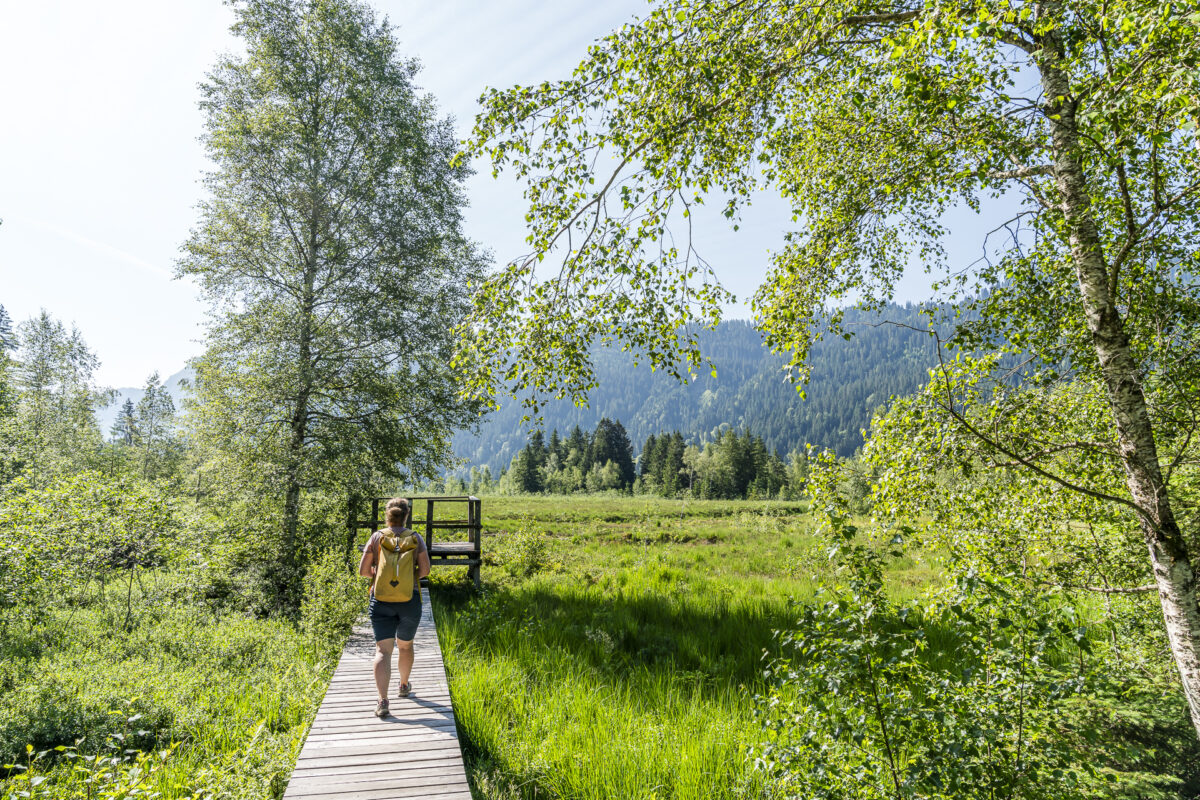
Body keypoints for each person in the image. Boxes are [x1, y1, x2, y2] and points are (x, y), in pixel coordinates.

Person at [358, 498, 430, 718]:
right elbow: (425, 570)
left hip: (380, 601)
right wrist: (408, 579)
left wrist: (379, 577)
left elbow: (363, 571)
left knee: (383, 651)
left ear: (387, 515)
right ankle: (404, 685)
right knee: (405, 646)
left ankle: (382, 701)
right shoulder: (415, 538)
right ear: (406, 515)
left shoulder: (376, 537)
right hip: (409, 601)